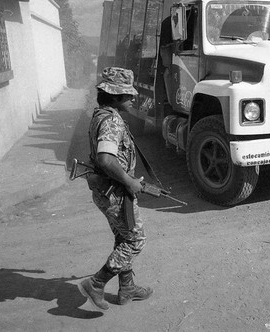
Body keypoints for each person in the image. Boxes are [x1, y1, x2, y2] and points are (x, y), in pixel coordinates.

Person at [78, 67, 152, 310]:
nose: (133, 99)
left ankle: (127, 288)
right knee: (135, 240)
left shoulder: (101, 115)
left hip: (107, 190)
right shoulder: (111, 121)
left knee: (123, 237)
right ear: (116, 97)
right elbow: (106, 159)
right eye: (129, 95)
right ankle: (97, 283)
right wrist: (129, 181)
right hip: (114, 192)